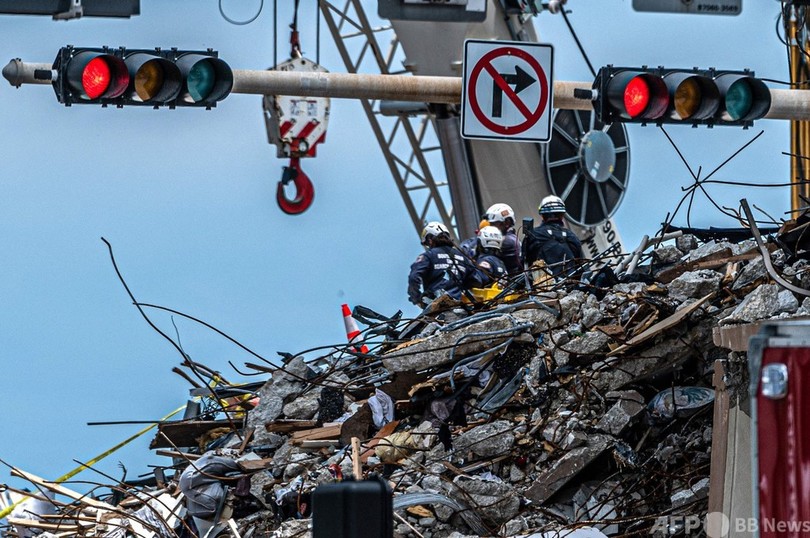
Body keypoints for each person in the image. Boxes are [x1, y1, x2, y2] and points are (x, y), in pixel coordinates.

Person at [408, 221, 480, 306]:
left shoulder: (429, 256)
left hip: (437, 309)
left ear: (430, 240)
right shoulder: (462, 256)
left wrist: (416, 298)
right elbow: (477, 280)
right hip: (458, 308)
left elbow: (414, 277)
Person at [522, 195, 583, 278]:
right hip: (571, 287)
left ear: (542, 215)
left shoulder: (533, 235)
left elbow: (524, 264)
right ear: (562, 215)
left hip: (544, 288)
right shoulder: (572, 236)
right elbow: (580, 265)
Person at [484, 203, 522, 276]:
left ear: (507, 223)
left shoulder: (507, 241)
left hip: (509, 283)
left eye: (493, 224)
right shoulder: (511, 238)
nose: (490, 228)